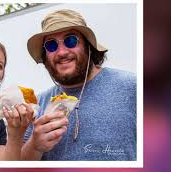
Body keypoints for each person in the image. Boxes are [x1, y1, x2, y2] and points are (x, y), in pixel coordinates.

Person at [22, 9, 136, 160]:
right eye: (51, 45)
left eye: (70, 40)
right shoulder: (38, 104)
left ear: (88, 46)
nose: (61, 52)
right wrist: (35, 146)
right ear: (45, 55)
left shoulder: (132, 87)